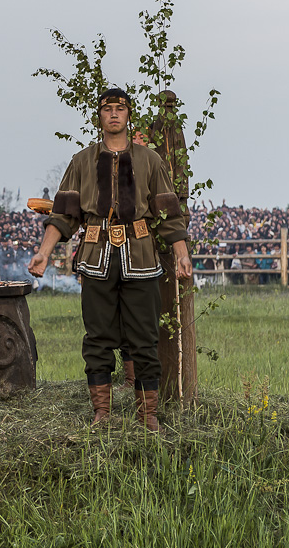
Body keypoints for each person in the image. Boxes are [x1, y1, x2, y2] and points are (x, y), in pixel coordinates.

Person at [28, 88, 192, 430]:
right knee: (98, 338)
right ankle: (102, 412)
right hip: (96, 257)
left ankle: (148, 415)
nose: (114, 114)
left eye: (120, 109)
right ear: (99, 117)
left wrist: (181, 255)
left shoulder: (150, 160)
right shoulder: (82, 161)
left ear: (128, 115)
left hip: (141, 257)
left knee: (145, 338)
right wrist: (44, 252)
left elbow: (169, 213)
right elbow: (63, 215)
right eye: (107, 109)